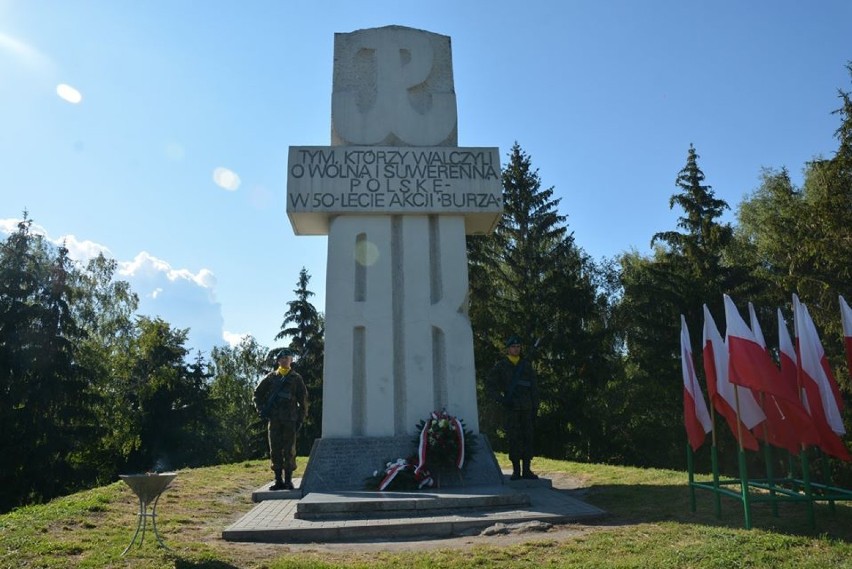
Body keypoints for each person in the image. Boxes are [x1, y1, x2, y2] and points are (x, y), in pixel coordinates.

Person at [253, 347, 309, 490]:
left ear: (291, 360)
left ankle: (288, 480)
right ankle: (278, 480)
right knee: (275, 449)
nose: (285, 360)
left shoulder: (296, 378)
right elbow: (257, 394)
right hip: (275, 419)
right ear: (278, 361)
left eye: (288, 358)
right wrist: (260, 409)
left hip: (290, 419)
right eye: (282, 358)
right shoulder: (271, 377)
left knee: (289, 449)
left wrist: (301, 418)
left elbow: (303, 400)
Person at [487, 335, 539, 480]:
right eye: (513, 347)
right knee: (514, 438)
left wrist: (535, 406)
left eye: (518, 347)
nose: (516, 349)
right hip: (511, 408)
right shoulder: (501, 366)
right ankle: (516, 471)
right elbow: (490, 386)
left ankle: (527, 469)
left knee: (528, 437)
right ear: (508, 349)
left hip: (527, 407)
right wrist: (502, 400)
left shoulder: (526, 365)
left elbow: (534, 387)